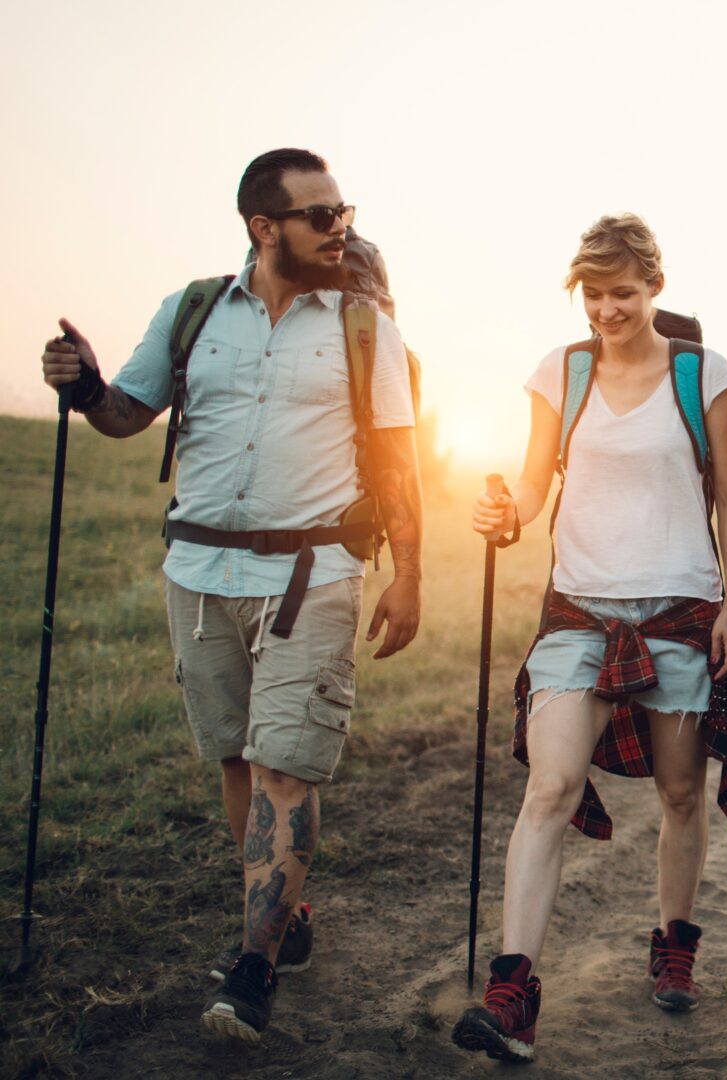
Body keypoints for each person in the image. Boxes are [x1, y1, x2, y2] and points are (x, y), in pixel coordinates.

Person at [39, 148, 423, 1042]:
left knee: (286, 764)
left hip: (314, 573)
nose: (343, 229)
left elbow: (400, 468)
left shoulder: (368, 327)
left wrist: (409, 577)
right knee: (240, 764)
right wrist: (87, 384)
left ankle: (249, 969)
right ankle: (285, 913)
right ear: (264, 226)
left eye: (343, 211)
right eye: (321, 215)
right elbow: (129, 414)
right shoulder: (193, 311)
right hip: (201, 574)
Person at [451, 214, 727, 1063]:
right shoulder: (563, 371)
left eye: (622, 293)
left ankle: (675, 943)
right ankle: (512, 990)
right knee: (548, 787)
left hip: (679, 611)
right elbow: (530, 484)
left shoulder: (706, 373)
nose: (607, 310)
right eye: (593, 294)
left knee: (679, 793)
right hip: (577, 612)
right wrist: (503, 514)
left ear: (655, 287)